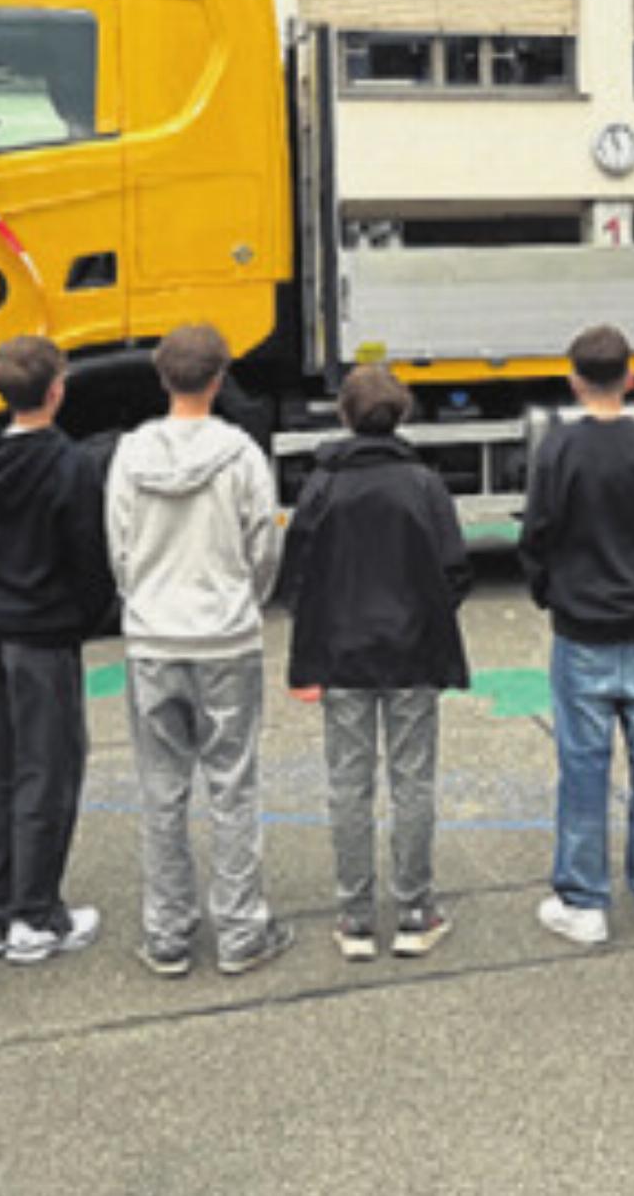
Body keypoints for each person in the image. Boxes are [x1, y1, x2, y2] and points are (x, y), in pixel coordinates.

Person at [107, 323, 289, 977]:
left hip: (154, 634)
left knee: (162, 787)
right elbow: (263, 545)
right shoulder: (240, 454)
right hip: (225, 634)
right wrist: (247, 596)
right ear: (218, 377)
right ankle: (241, 928)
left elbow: (120, 547)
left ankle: (168, 931)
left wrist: (142, 599)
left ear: (162, 377)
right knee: (233, 782)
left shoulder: (129, 454)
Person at [276, 365, 471, 961]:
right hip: (411, 651)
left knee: (348, 785)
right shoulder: (423, 484)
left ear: (344, 414)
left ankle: (355, 916)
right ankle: (415, 907)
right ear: (403, 415)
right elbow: (454, 568)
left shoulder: (322, 484)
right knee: (412, 781)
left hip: (342, 655)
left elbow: (298, 575)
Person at [519, 325, 634, 944]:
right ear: (631, 377)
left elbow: (537, 534)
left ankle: (584, 900)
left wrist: (549, 593)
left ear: (574, 378)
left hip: (582, 626)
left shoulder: (557, 452)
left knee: (583, 767)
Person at [0, 335, 112, 965]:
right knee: (46, 771)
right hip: (43, 634)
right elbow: (88, 555)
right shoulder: (71, 466)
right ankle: (36, 913)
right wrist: (87, 614)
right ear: (56, 390)